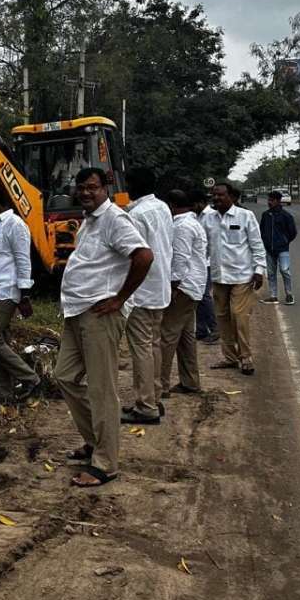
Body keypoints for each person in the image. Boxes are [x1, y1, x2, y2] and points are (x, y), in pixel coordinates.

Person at [58, 167, 154, 488]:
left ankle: (106, 463)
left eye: (92, 187)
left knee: (102, 389)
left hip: (100, 314)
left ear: (105, 188)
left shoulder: (115, 218)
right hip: (77, 311)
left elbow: (143, 256)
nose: (86, 192)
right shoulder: (90, 220)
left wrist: (120, 299)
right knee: (65, 376)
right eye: (82, 187)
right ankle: (94, 440)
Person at [0, 186, 41, 403]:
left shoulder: (15, 225)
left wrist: (24, 294)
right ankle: (3, 394)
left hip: (5, 292)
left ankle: (30, 378)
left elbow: (23, 260)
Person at [120, 167, 174, 426]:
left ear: (132, 185)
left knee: (141, 349)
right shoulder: (163, 208)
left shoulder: (136, 214)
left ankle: (145, 406)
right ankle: (155, 396)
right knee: (153, 345)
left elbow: (135, 255)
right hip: (160, 287)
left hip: (142, 290)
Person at [202, 182, 266, 376]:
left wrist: (259, 269)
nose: (216, 198)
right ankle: (230, 357)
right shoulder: (207, 219)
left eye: (220, 195)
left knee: (239, 317)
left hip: (242, 276)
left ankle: (245, 356)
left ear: (232, 197)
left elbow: (256, 244)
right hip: (219, 277)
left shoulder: (245, 216)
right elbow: (203, 248)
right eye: (214, 195)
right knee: (222, 318)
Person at [159, 189, 207, 396]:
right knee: (185, 337)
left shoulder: (182, 227)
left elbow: (179, 260)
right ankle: (190, 381)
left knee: (167, 335)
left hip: (184, 287)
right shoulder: (192, 223)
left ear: (171, 206)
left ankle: (159, 385)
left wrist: (172, 288)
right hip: (193, 286)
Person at [260, 190, 298, 306]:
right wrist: (266, 242)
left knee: (285, 271)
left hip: (282, 249)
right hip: (269, 249)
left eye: (271, 200)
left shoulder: (286, 216)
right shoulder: (266, 215)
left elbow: (293, 232)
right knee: (271, 273)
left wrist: (284, 242)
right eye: (269, 200)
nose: (269, 202)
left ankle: (289, 294)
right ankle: (273, 296)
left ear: (277, 201)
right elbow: (261, 230)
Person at [190, 189, 218, 344]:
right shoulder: (199, 216)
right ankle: (201, 330)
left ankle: (215, 328)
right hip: (199, 261)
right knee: (198, 296)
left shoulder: (211, 216)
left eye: (194, 204)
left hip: (207, 262)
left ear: (200, 202)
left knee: (204, 296)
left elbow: (213, 241)